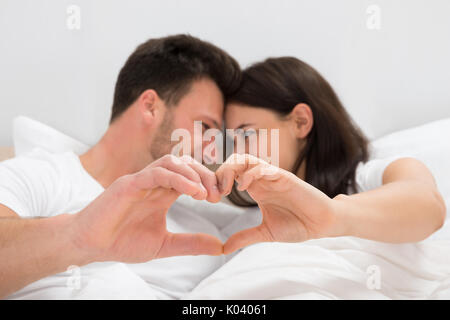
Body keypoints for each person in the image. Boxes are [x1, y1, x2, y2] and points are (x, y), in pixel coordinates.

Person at [0, 34, 241, 299]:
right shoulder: (39, 178)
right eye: (204, 127)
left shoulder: (203, 236)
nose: (211, 150)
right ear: (150, 107)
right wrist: (78, 238)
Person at [216, 57, 446, 255]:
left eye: (246, 134)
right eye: (233, 142)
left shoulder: (367, 180)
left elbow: (430, 208)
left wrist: (329, 215)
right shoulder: (247, 225)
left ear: (300, 122)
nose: (237, 154)